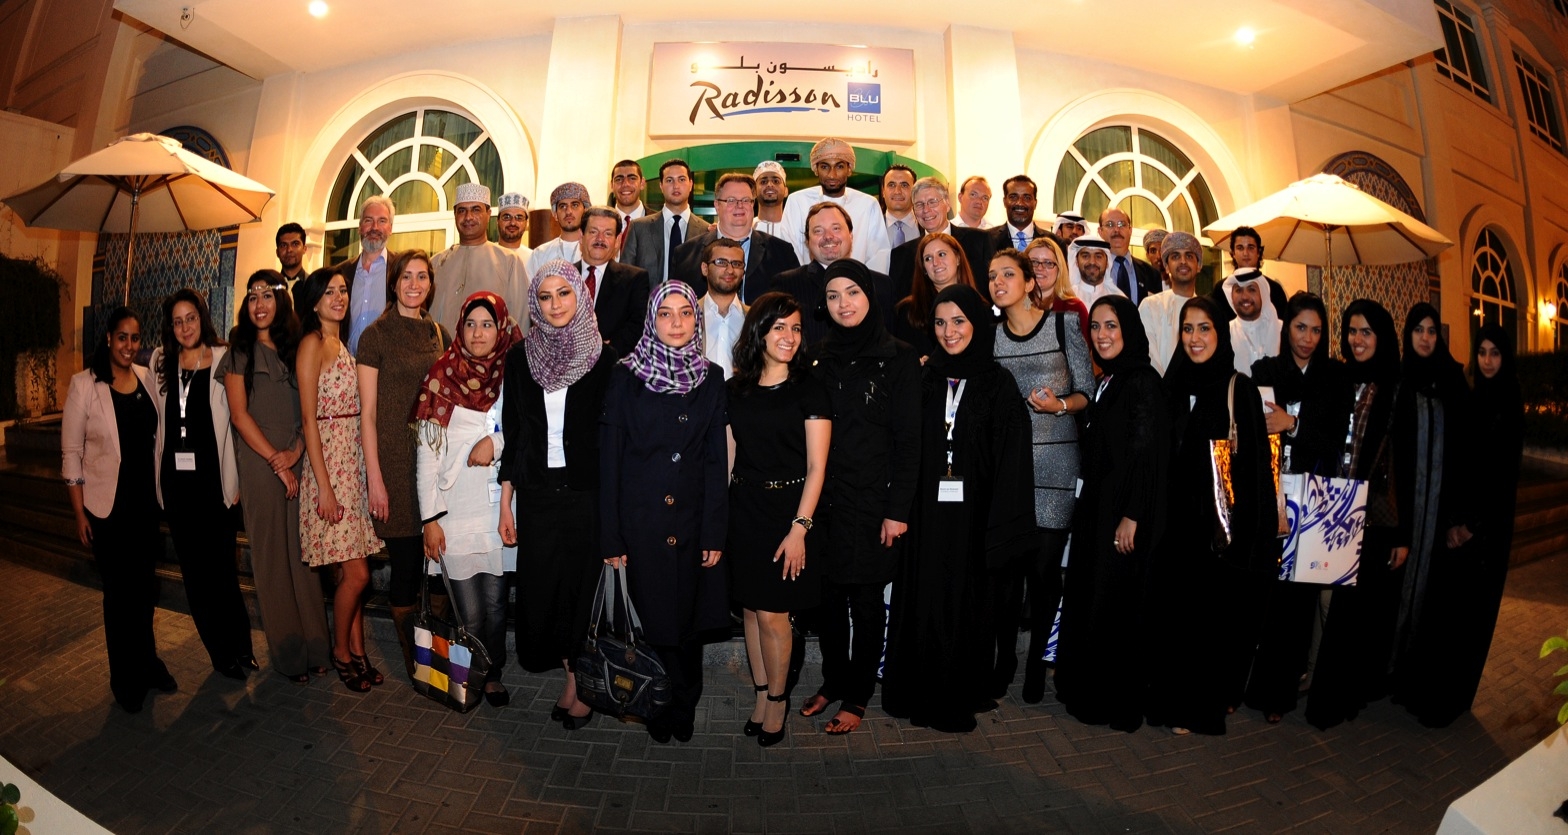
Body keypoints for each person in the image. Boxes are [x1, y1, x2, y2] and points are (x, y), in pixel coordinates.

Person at [883, 285, 1035, 733]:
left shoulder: (998, 382)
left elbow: (1012, 459)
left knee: (968, 602)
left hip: (975, 518)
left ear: (977, 324)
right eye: (940, 323)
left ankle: (960, 690)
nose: (949, 333)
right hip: (926, 515)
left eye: (959, 322)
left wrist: (1001, 523)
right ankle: (917, 689)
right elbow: (903, 445)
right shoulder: (923, 378)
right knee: (925, 598)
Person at [600, 281, 730, 743]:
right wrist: (611, 536)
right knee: (652, 621)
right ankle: (656, 704)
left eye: (685, 314)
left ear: (697, 321)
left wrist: (715, 531)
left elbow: (717, 460)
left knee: (689, 624)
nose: (676, 323)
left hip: (693, 523)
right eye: (665, 314)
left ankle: (685, 703)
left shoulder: (712, 378)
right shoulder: (625, 375)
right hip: (642, 524)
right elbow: (611, 458)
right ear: (651, 321)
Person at [1145, 297, 1276, 736]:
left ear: (1220, 333)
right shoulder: (1171, 384)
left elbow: (1257, 473)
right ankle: (1168, 702)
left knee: (1208, 627)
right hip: (1172, 532)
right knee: (1171, 623)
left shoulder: (1239, 388)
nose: (1195, 338)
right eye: (1187, 329)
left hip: (1216, 536)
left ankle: (1198, 709)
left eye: (1204, 329)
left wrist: (1251, 540)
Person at [800, 259, 920, 735]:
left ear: (869, 296)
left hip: (875, 501)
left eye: (852, 292)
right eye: (833, 296)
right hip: (824, 501)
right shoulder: (817, 357)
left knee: (866, 603)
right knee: (827, 599)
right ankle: (833, 680)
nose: (843, 303)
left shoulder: (899, 357)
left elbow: (910, 443)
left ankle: (858, 695)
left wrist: (897, 512)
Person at [500, 260, 620, 730]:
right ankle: (573, 673)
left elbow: (614, 440)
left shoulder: (604, 359)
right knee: (546, 590)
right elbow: (515, 432)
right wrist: (506, 501)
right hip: (537, 494)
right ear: (535, 303)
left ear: (580, 296)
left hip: (587, 494)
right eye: (545, 297)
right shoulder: (520, 357)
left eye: (563, 294)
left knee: (583, 591)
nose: (555, 305)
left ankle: (581, 683)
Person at [1391, 323, 1520, 727]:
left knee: (1469, 618)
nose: (1486, 361)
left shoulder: (1509, 403)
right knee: (1447, 615)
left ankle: (1450, 700)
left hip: (1483, 533)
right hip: (1456, 527)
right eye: (1481, 352)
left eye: (1495, 353)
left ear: (1506, 357)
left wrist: (1471, 527)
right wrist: (1451, 521)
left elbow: (1501, 478)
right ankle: (1432, 693)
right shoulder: (1472, 397)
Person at [1052, 296, 1168, 732]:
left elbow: (1146, 455)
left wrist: (1133, 515)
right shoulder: (1111, 379)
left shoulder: (1141, 381)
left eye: (1111, 326)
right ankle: (1085, 689)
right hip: (1097, 510)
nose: (1102, 335)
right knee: (1091, 596)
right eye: (1096, 327)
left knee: (1114, 604)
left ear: (1130, 330)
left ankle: (1110, 699)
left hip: (1121, 515)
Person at [726, 291, 832, 746]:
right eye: (779, 327)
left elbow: (817, 468)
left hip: (789, 514)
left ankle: (779, 700)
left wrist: (799, 529)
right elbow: (730, 459)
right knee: (750, 609)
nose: (789, 336)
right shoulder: (735, 389)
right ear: (759, 333)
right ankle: (760, 693)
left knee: (774, 615)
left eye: (795, 327)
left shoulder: (810, 387)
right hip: (743, 512)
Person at [989, 249, 1094, 703]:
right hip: (1008, 468)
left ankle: (1036, 665)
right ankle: (1004, 662)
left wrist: (1060, 406)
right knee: (1008, 571)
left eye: (1008, 274)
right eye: (992, 276)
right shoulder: (989, 337)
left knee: (1045, 568)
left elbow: (1087, 392)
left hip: (1056, 461)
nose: (997, 282)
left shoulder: (1063, 325)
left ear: (1032, 282)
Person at [220, 271, 333, 685]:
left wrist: (296, 452)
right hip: (261, 466)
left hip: (298, 460)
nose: (259, 304)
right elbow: (239, 416)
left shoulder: (296, 349)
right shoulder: (238, 353)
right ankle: (288, 656)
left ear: (280, 301)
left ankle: (317, 648)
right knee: (271, 562)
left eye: (266, 295)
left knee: (303, 560)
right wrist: (276, 461)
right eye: (252, 297)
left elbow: (311, 410)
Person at [1243, 292, 1351, 723]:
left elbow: (1333, 440)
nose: (1308, 337)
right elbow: (1252, 431)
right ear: (1287, 327)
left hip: (1316, 499)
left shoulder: (1335, 378)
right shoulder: (1265, 371)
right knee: (1265, 593)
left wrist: (1293, 424)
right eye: (1301, 327)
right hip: (1271, 495)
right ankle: (1250, 685)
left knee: (1299, 602)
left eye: (1316, 330)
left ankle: (1280, 695)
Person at [1305, 299, 1409, 731]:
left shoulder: (1394, 386)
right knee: (1325, 599)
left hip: (1372, 515)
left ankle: (1341, 692)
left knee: (1354, 609)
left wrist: (1402, 532)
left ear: (1381, 336)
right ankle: (1321, 682)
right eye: (1351, 330)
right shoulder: (1336, 376)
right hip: (1331, 500)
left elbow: (1403, 462)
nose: (1357, 339)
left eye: (1366, 332)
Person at [63, 307, 173, 712]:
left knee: (145, 591)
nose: (129, 345)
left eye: (135, 337)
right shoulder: (85, 385)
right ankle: (124, 678)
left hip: (145, 506)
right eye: (122, 337)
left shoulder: (146, 379)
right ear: (108, 338)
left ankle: (148, 664)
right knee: (119, 596)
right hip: (106, 510)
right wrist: (79, 514)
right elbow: (71, 455)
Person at [414, 290, 520, 708]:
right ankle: (467, 673)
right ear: (460, 328)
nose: (479, 333)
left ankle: (491, 674)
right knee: (468, 609)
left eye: (488, 324)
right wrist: (430, 519)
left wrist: (495, 441)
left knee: (496, 605)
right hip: (452, 509)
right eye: (471, 324)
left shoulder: (515, 373)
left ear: (501, 328)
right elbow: (426, 454)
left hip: (497, 506)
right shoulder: (440, 376)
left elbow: (528, 427)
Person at [151, 289, 254, 681]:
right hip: (177, 486)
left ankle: (242, 647)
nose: (184, 327)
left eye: (190, 318)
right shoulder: (161, 361)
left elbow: (238, 421)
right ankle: (219, 653)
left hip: (215, 482)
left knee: (223, 572)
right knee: (195, 574)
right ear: (170, 326)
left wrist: (239, 479)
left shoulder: (223, 357)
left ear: (202, 318)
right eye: (177, 321)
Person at [355, 249, 449, 679]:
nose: (414, 284)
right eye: (407, 276)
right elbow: (367, 412)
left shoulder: (439, 333)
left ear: (431, 284)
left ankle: (436, 650)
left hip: (435, 461)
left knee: (438, 561)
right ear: (394, 283)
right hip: (393, 460)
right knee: (407, 563)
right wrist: (375, 478)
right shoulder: (375, 336)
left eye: (422, 277)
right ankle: (415, 659)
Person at [294, 268, 386, 692]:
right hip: (329, 467)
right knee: (358, 575)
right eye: (328, 292)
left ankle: (358, 650)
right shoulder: (311, 345)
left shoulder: (341, 345)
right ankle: (340, 651)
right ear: (313, 301)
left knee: (355, 569)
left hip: (352, 465)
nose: (338, 297)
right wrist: (324, 486)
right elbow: (309, 420)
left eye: (343, 290)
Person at [1388, 303, 1476, 727]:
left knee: (1433, 595)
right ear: (1407, 335)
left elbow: (1467, 450)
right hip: (1406, 512)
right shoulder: (1400, 382)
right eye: (1418, 330)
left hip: (1441, 513)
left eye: (1431, 331)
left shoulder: (1453, 381)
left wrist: (1459, 516)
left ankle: (1417, 676)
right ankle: (1390, 671)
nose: (1425, 338)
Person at [769, 202, 896, 347]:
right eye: (818, 231)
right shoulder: (785, 285)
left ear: (851, 235)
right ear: (807, 241)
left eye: (836, 228)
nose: (828, 236)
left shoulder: (882, 285)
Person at [671, 172, 798, 302]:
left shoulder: (782, 253)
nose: (740, 205)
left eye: (746, 200)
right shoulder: (686, 255)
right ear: (717, 205)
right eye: (731, 200)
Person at [778, 138, 893, 273]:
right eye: (825, 167)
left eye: (839, 166)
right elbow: (789, 252)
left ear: (849, 169)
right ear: (816, 170)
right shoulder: (797, 201)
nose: (832, 174)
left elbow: (878, 256)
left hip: (855, 286)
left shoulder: (868, 204)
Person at [429, 183, 530, 330]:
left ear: (488, 214)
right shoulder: (437, 263)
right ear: (455, 214)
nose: (468, 217)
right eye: (462, 210)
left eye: (476, 210)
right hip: (442, 351)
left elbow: (519, 322)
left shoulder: (508, 261)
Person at [888, 177, 993, 303]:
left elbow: (990, 289)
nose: (926, 210)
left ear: (947, 204)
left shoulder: (980, 241)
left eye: (932, 202)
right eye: (919, 204)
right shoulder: (900, 255)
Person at [573, 206, 651, 356]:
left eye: (608, 233)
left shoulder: (635, 279)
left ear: (617, 241)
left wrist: (604, 352)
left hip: (612, 367)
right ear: (581, 236)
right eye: (593, 232)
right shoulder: (563, 276)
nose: (600, 239)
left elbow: (638, 326)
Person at [622, 158, 712, 286]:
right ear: (661, 186)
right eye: (669, 180)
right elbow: (625, 277)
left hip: (691, 304)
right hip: (648, 304)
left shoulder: (706, 231)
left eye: (681, 179)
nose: (676, 186)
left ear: (691, 184)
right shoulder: (639, 228)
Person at [891, 232, 978, 359]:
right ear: (924, 269)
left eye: (941, 254)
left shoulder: (979, 305)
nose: (936, 263)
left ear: (958, 258)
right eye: (928, 258)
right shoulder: (909, 311)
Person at [335, 195, 396, 354]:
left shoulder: (401, 269)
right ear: (360, 227)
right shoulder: (342, 272)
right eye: (368, 220)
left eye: (382, 221)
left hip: (386, 368)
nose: (375, 227)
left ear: (390, 228)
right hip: (347, 367)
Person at [1138, 230, 1204, 376]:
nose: (1183, 261)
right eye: (1175, 256)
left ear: (1198, 265)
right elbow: (1149, 357)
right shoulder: (1150, 306)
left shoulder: (1208, 311)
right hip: (1157, 392)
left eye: (1189, 256)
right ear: (1166, 266)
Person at [1208, 226, 1289, 323]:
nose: (1245, 253)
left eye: (1250, 248)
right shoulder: (1221, 289)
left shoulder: (1274, 289)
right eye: (1240, 248)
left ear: (1258, 252)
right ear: (1233, 253)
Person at [1023, 237, 1089, 342]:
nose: (1040, 268)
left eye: (1048, 263)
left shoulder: (1074, 308)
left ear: (1059, 269)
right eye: (1034, 262)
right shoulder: (1014, 304)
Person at [1098, 208, 1161, 304]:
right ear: (1100, 231)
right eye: (1110, 224)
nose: (1116, 230)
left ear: (1130, 230)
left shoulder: (1151, 274)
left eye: (1122, 224)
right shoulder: (1093, 270)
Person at [1225, 268, 1282, 373]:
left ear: (1262, 294)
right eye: (1238, 290)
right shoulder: (1224, 333)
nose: (1245, 297)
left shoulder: (1281, 330)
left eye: (1251, 289)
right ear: (1231, 296)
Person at [528, 183, 590, 276]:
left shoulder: (594, 250)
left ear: (585, 210)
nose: (569, 211)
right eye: (563, 206)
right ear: (555, 214)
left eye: (575, 205)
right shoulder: (540, 254)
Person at [882, 164, 917, 247]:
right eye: (891, 185)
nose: (897, 191)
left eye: (904, 185)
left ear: (915, 191)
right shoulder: (870, 228)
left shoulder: (928, 229)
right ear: (883, 191)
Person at [753, 160, 789, 239]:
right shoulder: (746, 228)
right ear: (754, 192)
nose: (769, 185)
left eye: (776, 181)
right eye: (763, 182)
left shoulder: (795, 229)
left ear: (786, 191)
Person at [496, 192, 534, 263]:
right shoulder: (486, 254)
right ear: (497, 221)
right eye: (506, 217)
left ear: (527, 223)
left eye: (519, 218)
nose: (513, 223)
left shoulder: (534, 258)